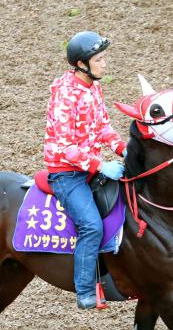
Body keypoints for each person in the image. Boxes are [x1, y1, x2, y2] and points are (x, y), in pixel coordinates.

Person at [44, 31, 127, 309]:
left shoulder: (93, 88)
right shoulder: (66, 94)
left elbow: (102, 126)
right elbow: (66, 146)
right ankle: (85, 290)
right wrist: (101, 165)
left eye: (104, 58)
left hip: (89, 168)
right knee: (91, 226)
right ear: (82, 63)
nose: (105, 64)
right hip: (67, 174)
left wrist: (122, 149)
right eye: (100, 59)